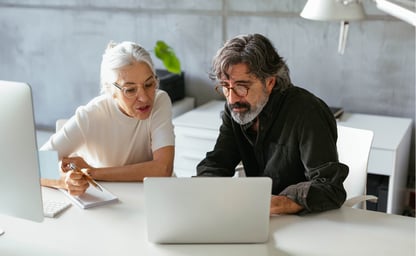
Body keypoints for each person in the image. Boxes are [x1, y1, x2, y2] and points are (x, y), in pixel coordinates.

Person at [196, 34, 349, 215]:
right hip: (259, 216)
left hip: (308, 221)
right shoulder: (237, 109)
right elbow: (217, 163)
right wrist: (202, 191)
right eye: (225, 86)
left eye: (241, 86)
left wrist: (279, 203)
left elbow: (330, 187)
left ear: (269, 82)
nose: (232, 98)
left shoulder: (307, 112)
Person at [41, 41, 175, 196]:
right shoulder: (90, 116)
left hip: (156, 197)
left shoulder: (160, 100)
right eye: (130, 90)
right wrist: (62, 181)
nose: (144, 98)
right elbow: (34, 165)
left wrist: (93, 172)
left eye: (149, 84)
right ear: (110, 90)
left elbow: (162, 168)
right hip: (111, 203)